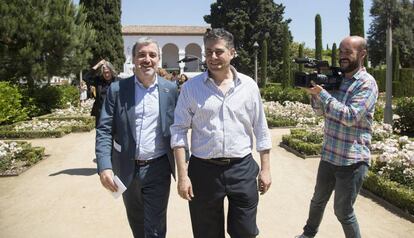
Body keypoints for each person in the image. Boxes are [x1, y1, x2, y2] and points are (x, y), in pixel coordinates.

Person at [170, 28, 272, 238]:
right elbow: (179, 131)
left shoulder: (249, 86)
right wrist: (183, 176)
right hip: (203, 171)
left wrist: (266, 169)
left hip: (241, 169)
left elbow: (260, 128)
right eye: (208, 52)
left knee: (245, 232)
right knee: (206, 234)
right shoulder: (191, 88)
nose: (213, 57)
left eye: (218, 51)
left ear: (232, 52)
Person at [295, 36, 378, 238]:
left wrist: (322, 94)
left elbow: (349, 116)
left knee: (343, 211)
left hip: (352, 160)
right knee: (317, 201)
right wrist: (314, 94)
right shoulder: (338, 79)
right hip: (330, 154)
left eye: (348, 52)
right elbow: (320, 112)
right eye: (341, 52)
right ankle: (308, 234)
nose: (342, 56)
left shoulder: (367, 84)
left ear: (362, 54)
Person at [95, 37, 178, 238]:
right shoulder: (117, 90)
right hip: (126, 168)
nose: (146, 59)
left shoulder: (170, 90)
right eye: (141, 55)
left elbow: (180, 130)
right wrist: (104, 166)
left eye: (152, 55)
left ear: (159, 59)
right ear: (133, 59)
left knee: (155, 229)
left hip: (158, 168)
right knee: (137, 224)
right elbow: (104, 129)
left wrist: (186, 168)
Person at [83, 59, 119, 127]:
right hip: (101, 114)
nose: (106, 74)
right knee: (101, 135)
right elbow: (86, 77)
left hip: (114, 114)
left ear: (111, 71)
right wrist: (98, 65)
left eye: (108, 72)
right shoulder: (99, 81)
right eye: (104, 72)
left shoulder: (118, 81)